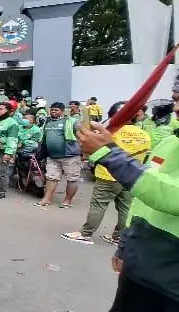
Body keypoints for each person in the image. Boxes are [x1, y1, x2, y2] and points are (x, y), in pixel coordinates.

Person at [76, 99, 179, 312]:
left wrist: (109, 154)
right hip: (145, 265)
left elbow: (173, 196)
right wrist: (126, 243)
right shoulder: (170, 142)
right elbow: (143, 197)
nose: (176, 108)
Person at [62, 101, 151, 246]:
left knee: (98, 205)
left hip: (108, 175)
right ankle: (119, 237)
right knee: (125, 207)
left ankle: (86, 234)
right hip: (130, 176)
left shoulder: (109, 133)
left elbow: (93, 152)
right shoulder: (145, 135)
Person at [37, 102, 82, 208]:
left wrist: (84, 152)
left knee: (72, 179)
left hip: (70, 156)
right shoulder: (47, 122)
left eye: (56, 110)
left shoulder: (71, 121)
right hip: (52, 156)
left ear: (62, 111)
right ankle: (46, 199)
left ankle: (67, 201)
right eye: (52, 110)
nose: (53, 112)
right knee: (51, 178)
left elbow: (82, 135)